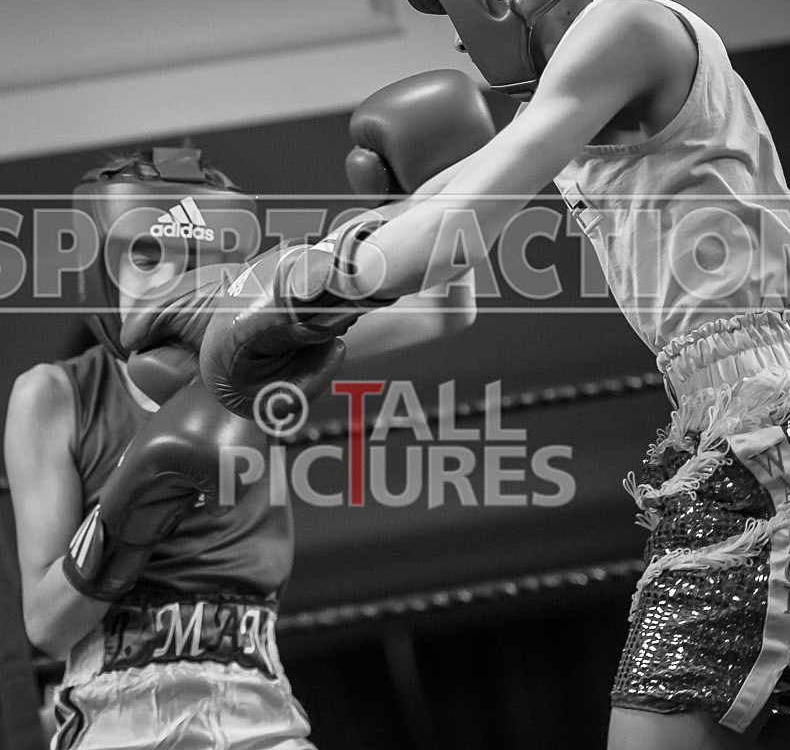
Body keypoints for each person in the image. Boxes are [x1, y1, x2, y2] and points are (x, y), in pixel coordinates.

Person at [190, 0, 790, 748]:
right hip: (737, 425)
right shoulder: (591, 76)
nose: (455, 42)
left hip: (766, 424)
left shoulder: (625, 25)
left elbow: (457, 228)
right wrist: (299, 276)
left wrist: (299, 293)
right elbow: (454, 198)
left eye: (444, 11)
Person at [4, 144, 479, 749]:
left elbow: (443, 309)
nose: (170, 277)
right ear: (104, 269)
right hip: (115, 713)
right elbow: (46, 626)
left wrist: (428, 177)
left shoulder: (262, 357)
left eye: (196, 256)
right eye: (145, 254)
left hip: (258, 706)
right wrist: (126, 511)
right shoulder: (53, 395)